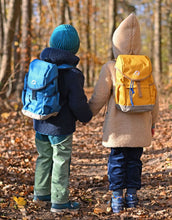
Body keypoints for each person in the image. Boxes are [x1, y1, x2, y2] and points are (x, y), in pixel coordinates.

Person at [88, 13, 159, 213]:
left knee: (117, 160)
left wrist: (87, 114)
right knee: (135, 160)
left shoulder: (111, 67)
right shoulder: (146, 67)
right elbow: (155, 99)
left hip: (117, 129)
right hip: (141, 125)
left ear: (115, 43)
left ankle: (117, 198)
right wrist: (152, 123)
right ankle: (132, 196)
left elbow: (99, 97)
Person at [33, 24, 92, 212]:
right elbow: (77, 103)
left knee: (44, 157)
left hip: (40, 123)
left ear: (52, 43)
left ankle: (41, 193)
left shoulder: (39, 67)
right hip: (61, 128)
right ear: (75, 48)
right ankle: (59, 201)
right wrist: (86, 116)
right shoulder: (72, 73)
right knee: (60, 161)